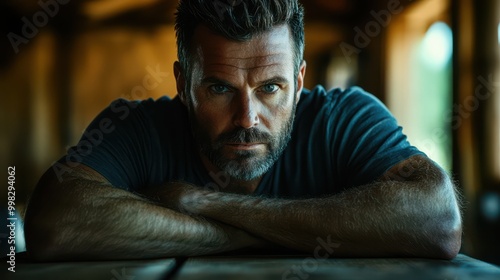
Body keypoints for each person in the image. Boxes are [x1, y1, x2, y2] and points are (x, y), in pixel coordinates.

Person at [24, 0, 462, 261]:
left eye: (271, 88)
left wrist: (200, 202)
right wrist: (259, 234)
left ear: (301, 80)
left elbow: (437, 220)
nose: (247, 117)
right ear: (182, 84)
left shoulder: (344, 118)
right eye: (218, 88)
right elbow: (52, 222)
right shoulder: (137, 128)